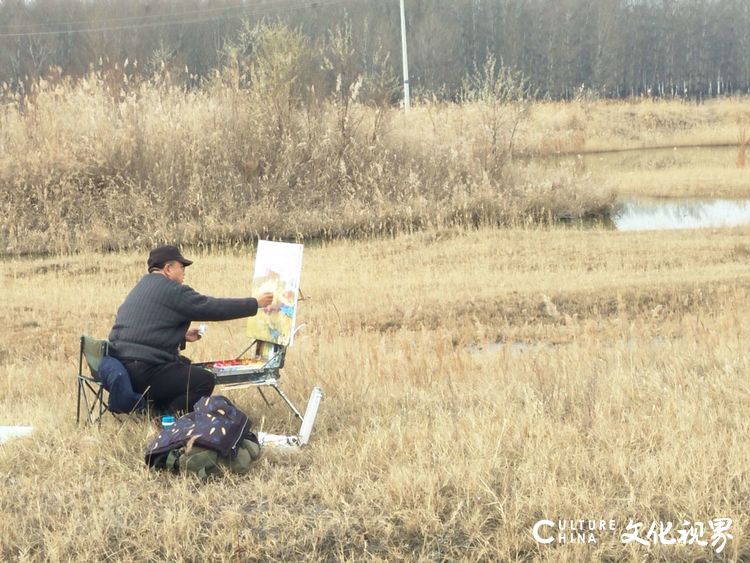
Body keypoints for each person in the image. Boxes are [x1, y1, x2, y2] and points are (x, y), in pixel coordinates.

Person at [108, 245, 273, 414]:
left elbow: (141, 329)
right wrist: (254, 303)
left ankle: (153, 410)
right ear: (168, 268)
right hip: (142, 373)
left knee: (184, 365)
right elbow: (212, 307)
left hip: (122, 368)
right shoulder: (173, 291)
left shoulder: (142, 286)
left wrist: (180, 337)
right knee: (204, 380)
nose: (184, 271)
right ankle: (167, 420)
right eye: (182, 266)